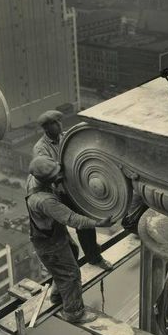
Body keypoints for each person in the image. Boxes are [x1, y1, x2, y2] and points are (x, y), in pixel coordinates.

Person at [26, 156, 114, 323]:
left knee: (72, 254)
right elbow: (73, 219)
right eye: (55, 176)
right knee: (70, 273)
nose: (59, 177)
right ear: (46, 179)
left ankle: (57, 295)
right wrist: (99, 223)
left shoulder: (34, 176)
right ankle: (74, 312)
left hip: (52, 235)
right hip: (49, 244)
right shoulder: (44, 200)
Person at [33, 110, 112, 270]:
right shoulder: (40, 149)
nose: (60, 125)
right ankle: (87, 259)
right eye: (55, 123)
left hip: (75, 186)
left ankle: (92, 251)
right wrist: (65, 169)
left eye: (59, 121)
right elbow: (50, 173)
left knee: (86, 219)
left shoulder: (65, 137)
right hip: (59, 192)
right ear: (47, 128)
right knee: (74, 225)